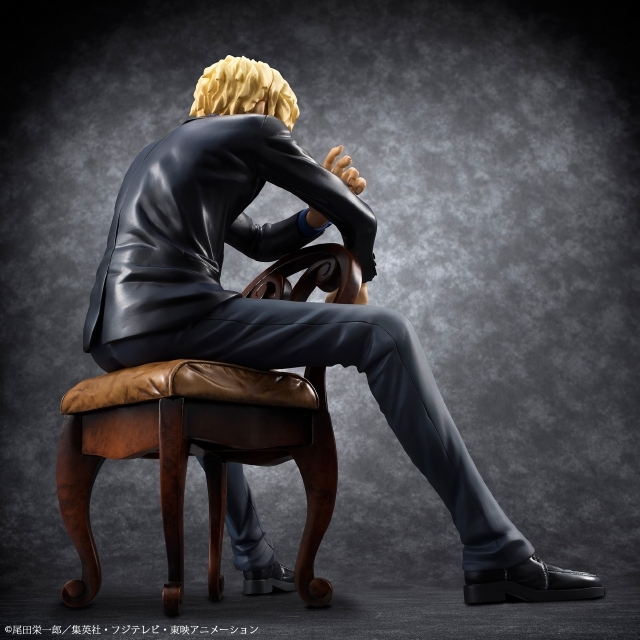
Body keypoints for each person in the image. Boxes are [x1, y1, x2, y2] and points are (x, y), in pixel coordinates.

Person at [84, 55, 603, 603]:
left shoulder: (159, 154)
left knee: (214, 389)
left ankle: (255, 560)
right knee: (386, 332)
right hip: (177, 316)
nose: (282, 129)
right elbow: (362, 217)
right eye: (282, 118)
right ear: (260, 103)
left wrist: (315, 215)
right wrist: (360, 278)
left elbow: (258, 240)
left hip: (113, 335)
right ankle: (495, 550)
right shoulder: (254, 129)